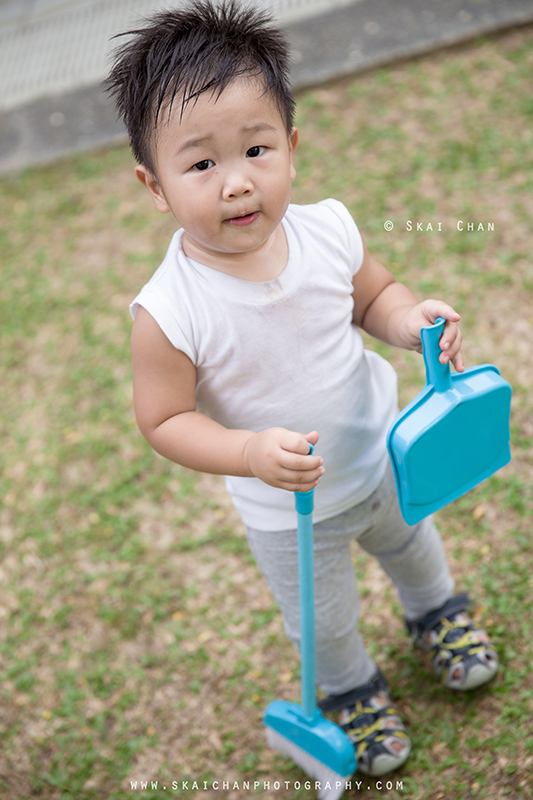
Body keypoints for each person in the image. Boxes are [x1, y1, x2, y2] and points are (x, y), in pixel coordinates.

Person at [106, 0, 499, 777]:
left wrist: (408, 317)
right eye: (200, 164)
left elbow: (371, 297)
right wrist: (248, 450)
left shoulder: (326, 230)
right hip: (287, 510)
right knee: (323, 616)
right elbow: (164, 419)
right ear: (155, 187)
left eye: (255, 149)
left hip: (381, 456)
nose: (236, 184)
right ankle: (351, 688)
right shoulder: (169, 311)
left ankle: (438, 615)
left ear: (290, 146)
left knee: (414, 547)